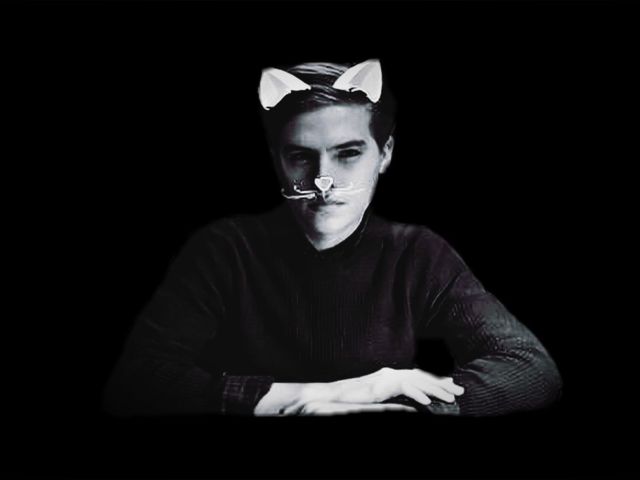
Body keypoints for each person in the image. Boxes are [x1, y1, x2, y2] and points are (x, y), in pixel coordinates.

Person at [103, 59, 562, 417]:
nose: (323, 181)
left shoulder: (416, 253)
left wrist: (401, 406)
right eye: (301, 156)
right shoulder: (225, 250)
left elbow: (530, 366)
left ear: (384, 154)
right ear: (276, 159)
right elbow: (137, 381)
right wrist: (327, 395)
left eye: (348, 153)